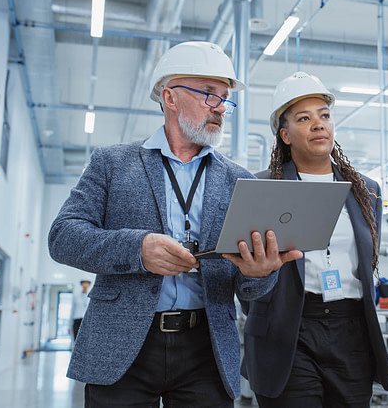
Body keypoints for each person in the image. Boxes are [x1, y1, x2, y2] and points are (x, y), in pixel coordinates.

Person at [48, 41, 302, 407]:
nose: (220, 109)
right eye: (209, 95)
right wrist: (138, 249)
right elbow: (63, 237)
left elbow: (249, 291)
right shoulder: (113, 163)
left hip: (207, 348)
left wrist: (260, 273)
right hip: (123, 344)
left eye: (225, 100)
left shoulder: (239, 180)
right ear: (170, 97)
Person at [241, 71, 388, 407]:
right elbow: (245, 272)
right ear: (284, 134)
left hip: (351, 330)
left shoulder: (366, 190)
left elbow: (367, 261)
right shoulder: (262, 188)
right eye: (304, 118)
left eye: (324, 116)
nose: (318, 124)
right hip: (288, 332)